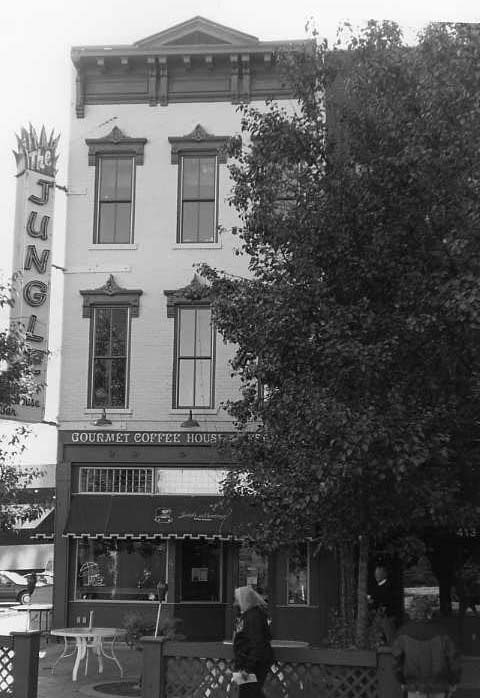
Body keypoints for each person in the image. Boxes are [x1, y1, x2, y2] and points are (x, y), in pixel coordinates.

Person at [392, 596, 461, 698]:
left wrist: (402, 681)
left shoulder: (402, 633)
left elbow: (396, 663)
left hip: (413, 688)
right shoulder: (443, 633)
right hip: (439, 688)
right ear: (429, 612)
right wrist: (454, 682)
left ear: (411, 612)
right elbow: (454, 660)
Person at [233, 586, 274, 698]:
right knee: (253, 694)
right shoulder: (248, 615)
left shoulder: (253, 616)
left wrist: (247, 668)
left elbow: (256, 644)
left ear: (244, 599)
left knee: (247, 694)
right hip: (245, 664)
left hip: (252, 666)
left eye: (237, 599)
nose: (235, 603)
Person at [368, 564, 399, 643]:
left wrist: (382, 608)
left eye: (379, 573)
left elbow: (390, 600)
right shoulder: (376, 587)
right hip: (378, 616)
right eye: (376, 573)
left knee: (391, 637)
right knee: (374, 635)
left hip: (387, 616)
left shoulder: (389, 586)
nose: (376, 575)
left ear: (384, 574)